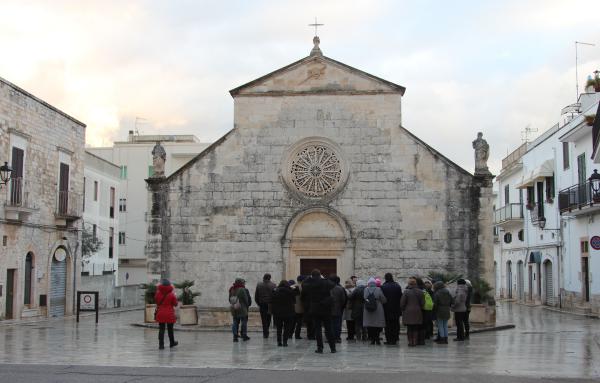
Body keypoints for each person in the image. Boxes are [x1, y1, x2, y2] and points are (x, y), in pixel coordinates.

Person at [301, 269, 336, 353]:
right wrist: (323, 278)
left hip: (315, 309)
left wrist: (309, 278)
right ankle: (333, 348)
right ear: (320, 275)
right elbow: (333, 284)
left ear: (312, 276)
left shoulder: (310, 283)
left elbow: (303, 285)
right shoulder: (325, 282)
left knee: (318, 329)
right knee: (329, 329)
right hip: (326, 309)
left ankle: (320, 348)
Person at [400, 277, 425, 347]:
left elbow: (402, 303)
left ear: (409, 284)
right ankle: (415, 341)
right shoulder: (420, 291)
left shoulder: (406, 292)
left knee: (409, 328)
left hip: (408, 312)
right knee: (415, 328)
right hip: (417, 311)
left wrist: (403, 309)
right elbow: (423, 303)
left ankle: (410, 342)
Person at [155, 278, 178, 350]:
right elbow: (175, 304)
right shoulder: (171, 294)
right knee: (170, 329)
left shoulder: (158, 293)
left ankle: (161, 345)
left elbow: (156, 302)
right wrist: (175, 296)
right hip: (169, 314)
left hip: (161, 313)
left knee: (161, 329)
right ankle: (172, 343)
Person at [362, 277, 387, 345]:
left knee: (370, 325)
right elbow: (383, 299)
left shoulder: (365, 289)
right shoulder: (378, 289)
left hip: (368, 308)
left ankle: (372, 340)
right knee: (377, 325)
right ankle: (377, 339)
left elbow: (364, 298)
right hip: (378, 308)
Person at [271, 280, 296, 347]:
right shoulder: (291, 291)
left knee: (279, 328)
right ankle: (285, 342)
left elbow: (272, 301)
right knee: (287, 328)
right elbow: (294, 301)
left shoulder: (275, 291)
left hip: (278, 313)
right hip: (288, 312)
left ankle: (279, 342)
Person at [380, 273, 402, 345]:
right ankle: (395, 339)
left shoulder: (383, 287)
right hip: (396, 309)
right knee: (395, 324)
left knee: (388, 325)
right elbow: (400, 297)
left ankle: (389, 340)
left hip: (386, 309)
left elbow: (382, 298)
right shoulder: (397, 286)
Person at [229, 277, 251, 342]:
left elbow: (229, 299)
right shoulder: (242, 289)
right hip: (242, 308)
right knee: (244, 321)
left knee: (235, 322)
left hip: (234, 307)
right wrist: (247, 305)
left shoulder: (231, 289)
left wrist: (234, 304)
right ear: (241, 282)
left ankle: (235, 336)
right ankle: (244, 335)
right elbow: (246, 299)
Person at [255, 273, 276, 338]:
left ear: (264, 277)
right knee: (269, 318)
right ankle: (267, 330)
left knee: (263, 319)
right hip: (270, 304)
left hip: (262, 304)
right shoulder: (273, 285)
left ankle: (265, 333)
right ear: (270, 278)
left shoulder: (259, 285)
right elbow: (275, 296)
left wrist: (259, 303)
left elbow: (256, 296)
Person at [329, 275, 347, 343]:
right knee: (337, 324)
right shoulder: (340, 288)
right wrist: (341, 307)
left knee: (329, 324)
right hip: (338, 309)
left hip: (329, 310)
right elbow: (343, 300)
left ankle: (330, 338)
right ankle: (337, 338)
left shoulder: (327, 288)